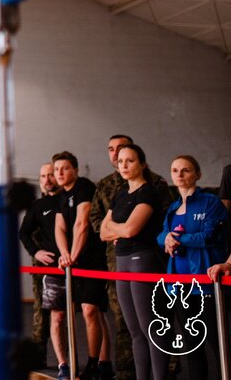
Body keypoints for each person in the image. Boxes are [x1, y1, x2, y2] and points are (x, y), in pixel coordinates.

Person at [89, 135, 171, 380]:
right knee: (134, 330)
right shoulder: (120, 194)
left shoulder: (149, 193)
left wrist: (118, 229)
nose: (123, 165)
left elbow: (131, 230)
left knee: (151, 329)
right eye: (121, 161)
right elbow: (102, 231)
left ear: (142, 164)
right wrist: (118, 229)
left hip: (143, 259)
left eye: (130, 161)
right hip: (122, 260)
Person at [156, 155, 228, 379]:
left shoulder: (210, 202)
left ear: (197, 174)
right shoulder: (173, 207)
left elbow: (210, 236)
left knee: (218, 341)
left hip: (206, 284)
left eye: (185, 170)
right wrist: (166, 238)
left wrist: (178, 239)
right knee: (191, 343)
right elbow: (161, 236)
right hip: (180, 286)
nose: (179, 174)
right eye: (175, 170)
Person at [53, 151, 109, 380]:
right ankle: (99, 364)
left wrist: (73, 255)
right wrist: (64, 254)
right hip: (73, 262)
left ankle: (95, 363)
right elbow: (60, 227)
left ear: (75, 170)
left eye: (64, 168)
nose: (59, 173)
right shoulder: (61, 195)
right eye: (56, 169)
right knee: (82, 312)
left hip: (92, 260)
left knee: (90, 310)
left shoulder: (84, 187)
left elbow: (81, 224)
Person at [18, 163, 61, 371]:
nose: (47, 179)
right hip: (45, 268)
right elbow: (23, 232)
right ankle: (40, 356)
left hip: (74, 265)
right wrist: (36, 252)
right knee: (41, 313)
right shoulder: (37, 205)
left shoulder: (68, 200)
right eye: (43, 175)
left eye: (50, 175)